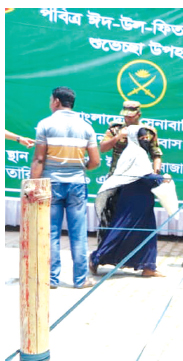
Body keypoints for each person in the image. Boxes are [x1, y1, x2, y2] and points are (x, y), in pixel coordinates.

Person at [30, 86, 100, 289]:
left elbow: (39, 159)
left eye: (51, 99)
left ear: (57, 102)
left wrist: (33, 184)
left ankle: (51, 279)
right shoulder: (87, 127)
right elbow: (95, 162)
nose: (50, 103)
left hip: (51, 184)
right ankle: (81, 280)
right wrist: (80, 167)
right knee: (78, 233)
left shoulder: (45, 124)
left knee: (51, 232)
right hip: (77, 184)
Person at [90, 125, 170, 277]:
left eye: (146, 138)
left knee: (147, 232)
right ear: (134, 138)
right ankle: (96, 258)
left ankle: (148, 266)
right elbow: (143, 176)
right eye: (141, 138)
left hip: (143, 200)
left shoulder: (139, 152)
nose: (145, 141)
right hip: (131, 200)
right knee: (120, 231)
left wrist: (158, 177)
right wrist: (161, 179)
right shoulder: (135, 152)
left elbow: (146, 174)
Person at [98, 101, 162, 249]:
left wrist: (154, 173)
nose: (127, 119)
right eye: (125, 116)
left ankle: (131, 257)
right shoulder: (115, 129)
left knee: (136, 220)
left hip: (138, 181)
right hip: (117, 180)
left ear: (138, 114)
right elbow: (103, 148)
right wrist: (118, 136)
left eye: (130, 116)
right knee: (109, 219)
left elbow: (156, 154)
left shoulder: (147, 132)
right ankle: (100, 256)